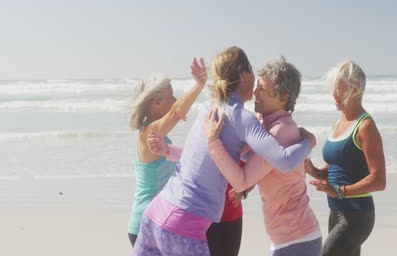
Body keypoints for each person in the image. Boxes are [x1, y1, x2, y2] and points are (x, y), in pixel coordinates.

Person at [132, 46, 315, 256]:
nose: (256, 89)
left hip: (155, 215)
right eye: (254, 76)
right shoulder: (242, 118)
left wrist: (168, 151)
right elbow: (285, 161)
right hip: (182, 226)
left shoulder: (208, 107)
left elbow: (199, 156)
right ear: (246, 76)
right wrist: (308, 142)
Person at [203, 56, 322, 256]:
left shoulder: (281, 132)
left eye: (263, 89)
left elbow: (244, 179)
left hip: (297, 240)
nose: (255, 92)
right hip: (286, 239)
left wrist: (213, 142)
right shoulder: (265, 124)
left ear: (283, 98)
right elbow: (256, 167)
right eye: (257, 85)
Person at [305, 60, 386, 256]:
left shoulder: (366, 127)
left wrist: (339, 191)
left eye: (338, 89)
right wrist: (313, 170)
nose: (333, 94)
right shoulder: (338, 124)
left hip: (357, 216)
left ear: (355, 88)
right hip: (336, 211)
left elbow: (379, 181)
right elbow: (333, 170)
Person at [126, 58, 207, 247]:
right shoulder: (150, 133)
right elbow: (175, 114)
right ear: (156, 101)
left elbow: (175, 114)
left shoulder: (156, 135)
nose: (175, 101)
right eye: (171, 97)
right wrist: (199, 85)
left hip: (156, 222)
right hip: (145, 225)